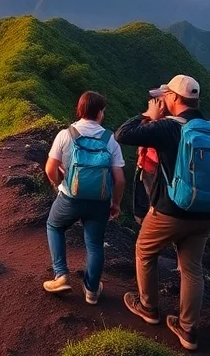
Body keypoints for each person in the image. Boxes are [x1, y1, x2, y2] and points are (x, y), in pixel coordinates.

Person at [116, 75, 210, 351]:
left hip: (169, 212)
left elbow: (123, 133)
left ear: (175, 99)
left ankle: (148, 307)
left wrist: (148, 114)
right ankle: (188, 330)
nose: (162, 99)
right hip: (205, 215)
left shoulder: (168, 128)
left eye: (165, 95)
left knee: (145, 252)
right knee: (192, 269)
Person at [41, 90, 126, 305]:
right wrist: (115, 203)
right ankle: (91, 290)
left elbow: (50, 168)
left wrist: (58, 184)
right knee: (95, 244)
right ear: (99, 113)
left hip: (70, 198)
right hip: (99, 201)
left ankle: (60, 275)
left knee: (54, 226)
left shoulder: (65, 135)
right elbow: (120, 180)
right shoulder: (110, 139)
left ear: (80, 111)